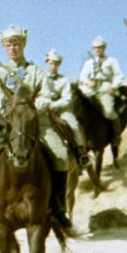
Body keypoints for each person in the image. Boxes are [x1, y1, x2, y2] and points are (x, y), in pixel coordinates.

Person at [0, 25, 53, 228]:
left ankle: (58, 206)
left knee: (59, 154)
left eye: (16, 44)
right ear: (4, 47)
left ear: (23, 44)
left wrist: (30, 109)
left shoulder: (37, 72)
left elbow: (47, 96)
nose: (13, 48)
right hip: (6, 125)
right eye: (9, 44)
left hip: (33, 123)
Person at [40, 49, 86, 216]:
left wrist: (54, 105)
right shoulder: (40, 78)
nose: (53, 66)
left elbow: (67, 98)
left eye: (56, 64)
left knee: (74, 125)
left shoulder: (64, 80)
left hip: (61, 111)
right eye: (51, 63)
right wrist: (44, 104)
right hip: (44, 110)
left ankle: (81, 154)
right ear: (47, 63)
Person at [78, 36, 125, 120]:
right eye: (95, 48)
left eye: (100, 47)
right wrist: (88, 82)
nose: (97, 50)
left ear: (104, 48)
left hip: (105, 89)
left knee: (109, 112)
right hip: (90, 89)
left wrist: (113, 87)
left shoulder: (111, 60)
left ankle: (117, 127)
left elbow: (119, 75)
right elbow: (82, 76)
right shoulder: (89, 62)